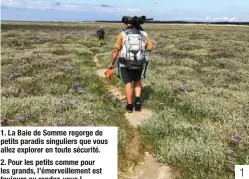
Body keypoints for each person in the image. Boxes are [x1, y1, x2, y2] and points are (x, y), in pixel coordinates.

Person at [107, 20, 153, 113]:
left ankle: (129, 105)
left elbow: (116, 50)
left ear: (126, 24)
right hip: (139, 62)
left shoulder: (123, 34)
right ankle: (138, 101)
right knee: (137, 80)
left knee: (128, 82)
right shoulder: (143, 34)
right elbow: (150, 48)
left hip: (125, 63)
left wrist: (111, 63)